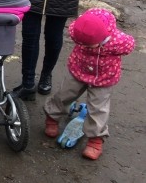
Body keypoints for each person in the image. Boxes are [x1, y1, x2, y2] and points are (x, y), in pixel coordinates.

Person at [43, 8, 134, 160]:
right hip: (79, 69)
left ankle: (95, 139)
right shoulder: (78, 30)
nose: (84, 46)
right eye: (81, 44)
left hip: (104, 77)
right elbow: (75, 30)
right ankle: (52, 116)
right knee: (64, 94)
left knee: (99, 107)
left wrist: (113, 48)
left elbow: (130, 45)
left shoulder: (117, 41)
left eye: (89, 45)